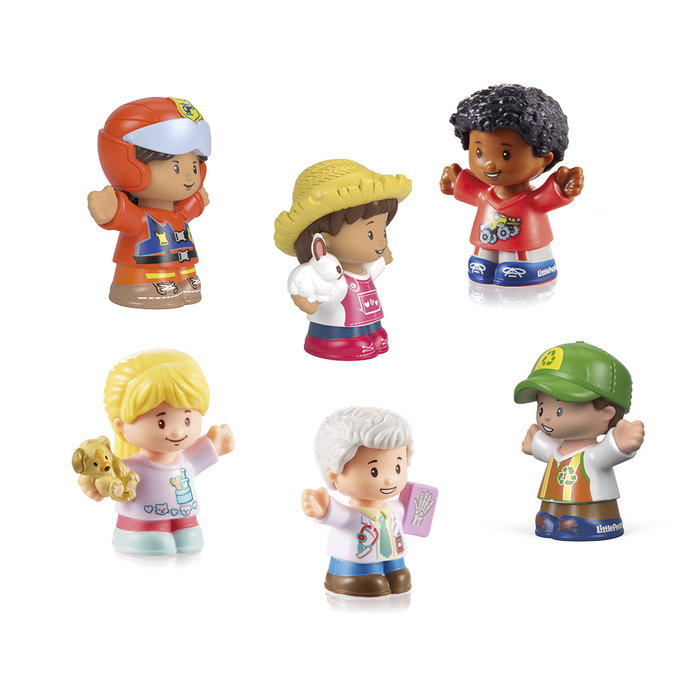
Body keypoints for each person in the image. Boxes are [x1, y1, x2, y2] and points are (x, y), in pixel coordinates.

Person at [80, 349, 234, 555]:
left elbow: (206, 452)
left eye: (187, 419)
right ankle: (142, 534)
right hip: (142, 522)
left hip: (185, 517)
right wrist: (95, 485)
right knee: (156, 542)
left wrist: (217, 443)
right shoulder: (129, 467)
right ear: (121, 426)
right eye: (161, 422)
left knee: (190, 536)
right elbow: (106, 479)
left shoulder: (185, 459)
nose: (178, 431)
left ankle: (182, 529)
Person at [440, 84, 583, 286]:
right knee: (482, 260)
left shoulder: (532, 200)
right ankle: (485, 261)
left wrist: (561, 186)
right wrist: (456, 183)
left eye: (506, 154)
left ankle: (524, 264)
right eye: (479, 152)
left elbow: (547, 197)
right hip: (485, 245)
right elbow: (472, 190)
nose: (489, 164)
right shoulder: (484, 195)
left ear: (545, 158)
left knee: (514, 261)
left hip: (525, 251)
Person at [274, 160, 411, 360]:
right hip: (336, 328)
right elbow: (316, 291)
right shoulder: (332, 279)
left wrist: (383, 260)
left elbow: (372, 272)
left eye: (383, 231)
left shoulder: (363, 270)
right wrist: (303, 299)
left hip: (367, 316)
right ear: (325, 240)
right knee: (348, 326)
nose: (381, 240)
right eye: (370, 234)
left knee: (375, 330)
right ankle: (340, 340)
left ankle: (372, 331)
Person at [88, 97, 211, 308]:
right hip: (142, 272)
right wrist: (112, 210)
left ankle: (185, 278)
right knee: (153, 274)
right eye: (175, 167)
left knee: (186, 271)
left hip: (182, 263)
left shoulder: (178, 212)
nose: (190, 177)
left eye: (194, 166)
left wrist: (198, 200)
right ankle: (142, 286)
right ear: (131, 167)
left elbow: (186, 212)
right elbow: (127, 218)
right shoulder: (142, 218)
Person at [515, 342, 645, 540]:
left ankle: (590, 519)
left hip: (594, 510)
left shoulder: (593, 455)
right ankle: (550, 515)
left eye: (559, 410)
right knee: (549, 508)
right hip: (553, 499)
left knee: (579, 510)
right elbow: (546, 449)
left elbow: (609, 451)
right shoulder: (556, 449)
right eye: (541, 407)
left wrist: (620, 443)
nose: (546, 417)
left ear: (606, 413)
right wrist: (534, 442)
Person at [302, 407, 420, 597]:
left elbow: (411, 515)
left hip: (394, 555)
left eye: (398, 467)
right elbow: (336, 515)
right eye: (374, 471)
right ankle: (351, 576)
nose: (390, 479)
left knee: (399, 575)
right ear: (334, 474)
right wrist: (322, 509)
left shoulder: (394, 508)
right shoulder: (350, 515)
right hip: (355, 562)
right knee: (370, 580)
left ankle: (394, 570)